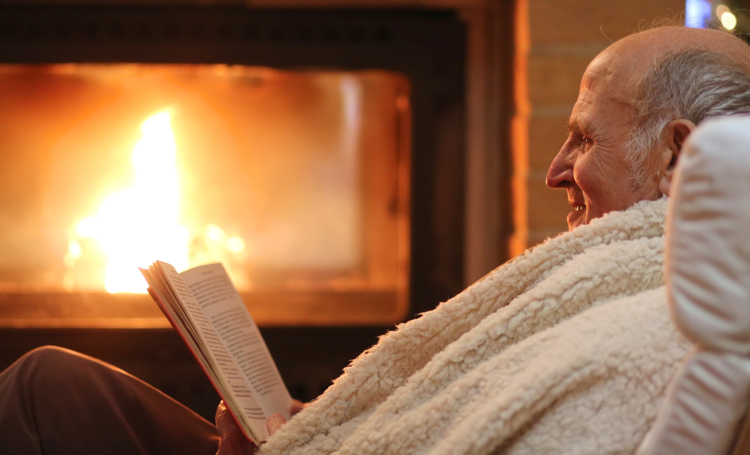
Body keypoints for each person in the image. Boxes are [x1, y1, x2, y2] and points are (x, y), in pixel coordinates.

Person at [3, 24, 750, 455]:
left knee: (43, 389)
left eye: (583, 139)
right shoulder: (664, 284)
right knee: (61, 381)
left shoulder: (656, 326)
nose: (555, 172)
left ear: (676, 157)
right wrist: (328, 423)